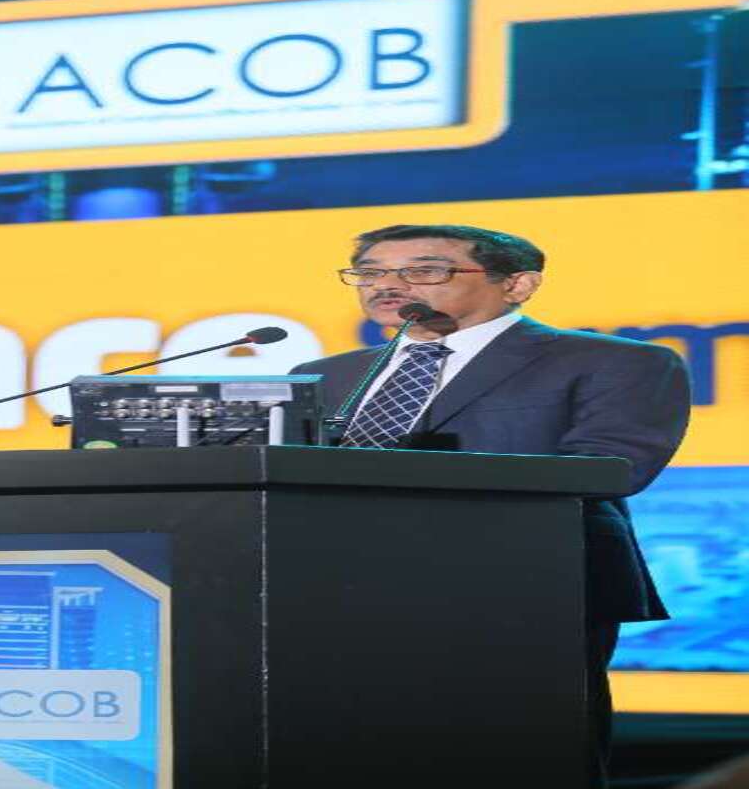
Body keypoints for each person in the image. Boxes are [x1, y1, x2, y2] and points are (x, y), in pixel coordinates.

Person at [291, 224, 690, 788]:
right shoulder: (327, 375)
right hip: (333, 590)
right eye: (371, 272)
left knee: (516, 757)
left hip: (523, 587)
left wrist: (417, 476)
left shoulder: (616, 361)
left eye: (423, 270)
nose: (387, 285)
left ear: (518, 284)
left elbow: (612, 467)